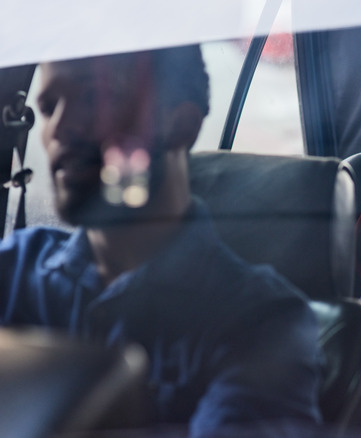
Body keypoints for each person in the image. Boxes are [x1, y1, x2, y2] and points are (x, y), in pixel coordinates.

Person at [0, 46, 323, 436]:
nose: (59, 127)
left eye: (93, 98)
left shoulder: (264, 322)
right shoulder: (12, 269)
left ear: (181, 125)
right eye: (49, 106)